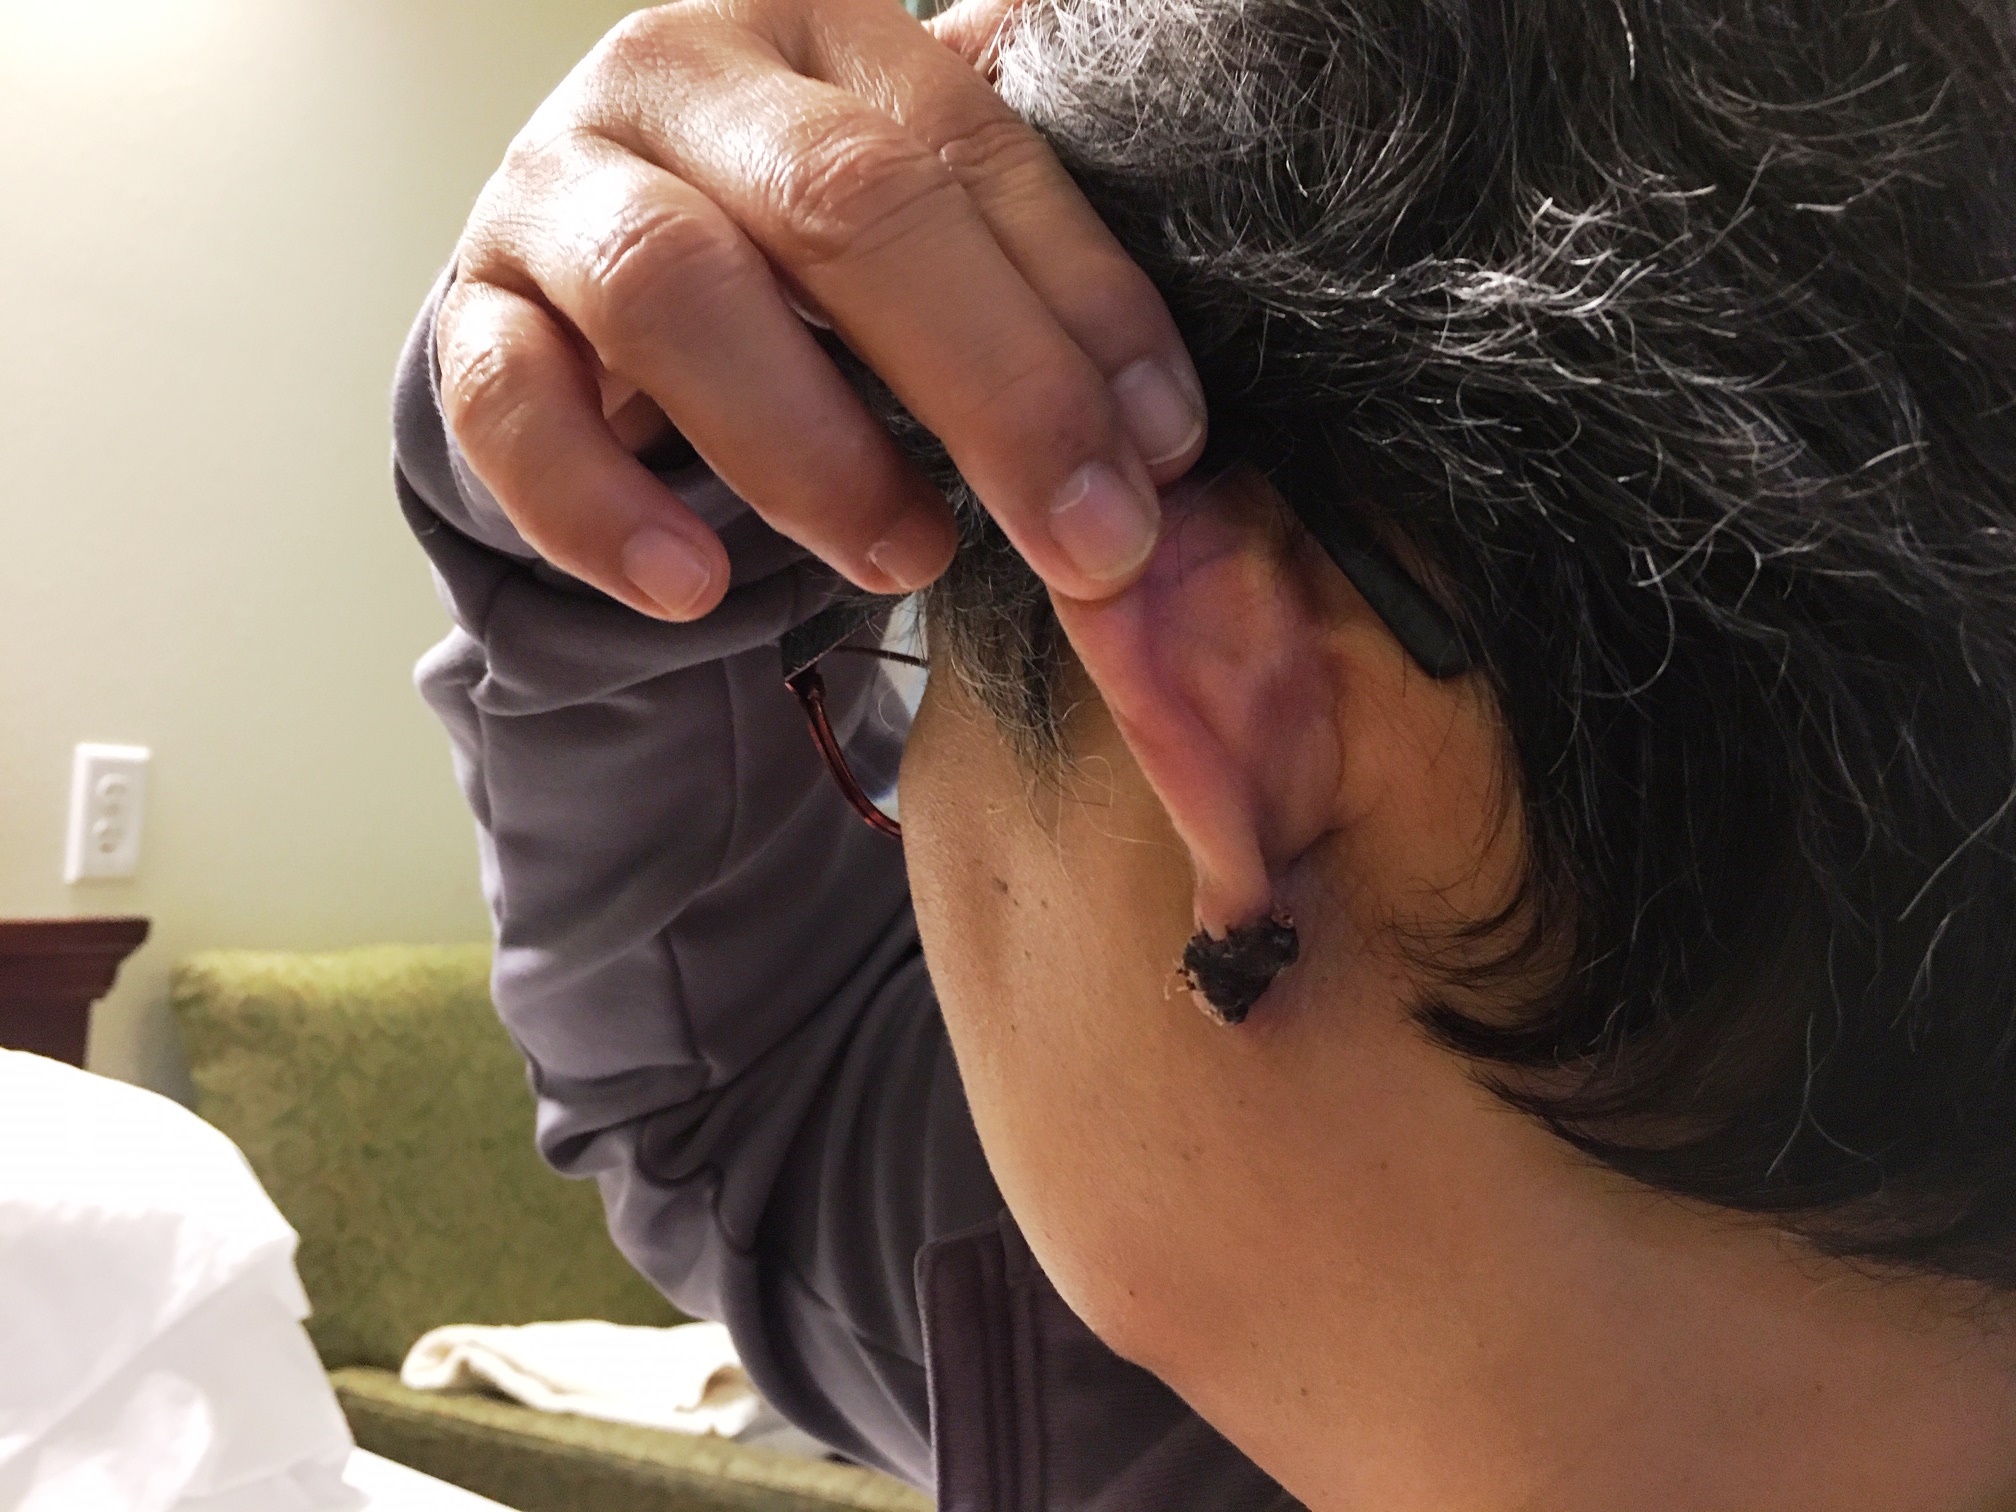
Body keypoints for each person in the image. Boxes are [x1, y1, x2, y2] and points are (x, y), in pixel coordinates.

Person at [396, 0, 2016, 1506]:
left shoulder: (1206, 1350)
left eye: (912, 656)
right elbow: (741, 1110)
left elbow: (726, 1106)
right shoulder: (1210, 1337)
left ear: (1222, 694)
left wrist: (629, 512)